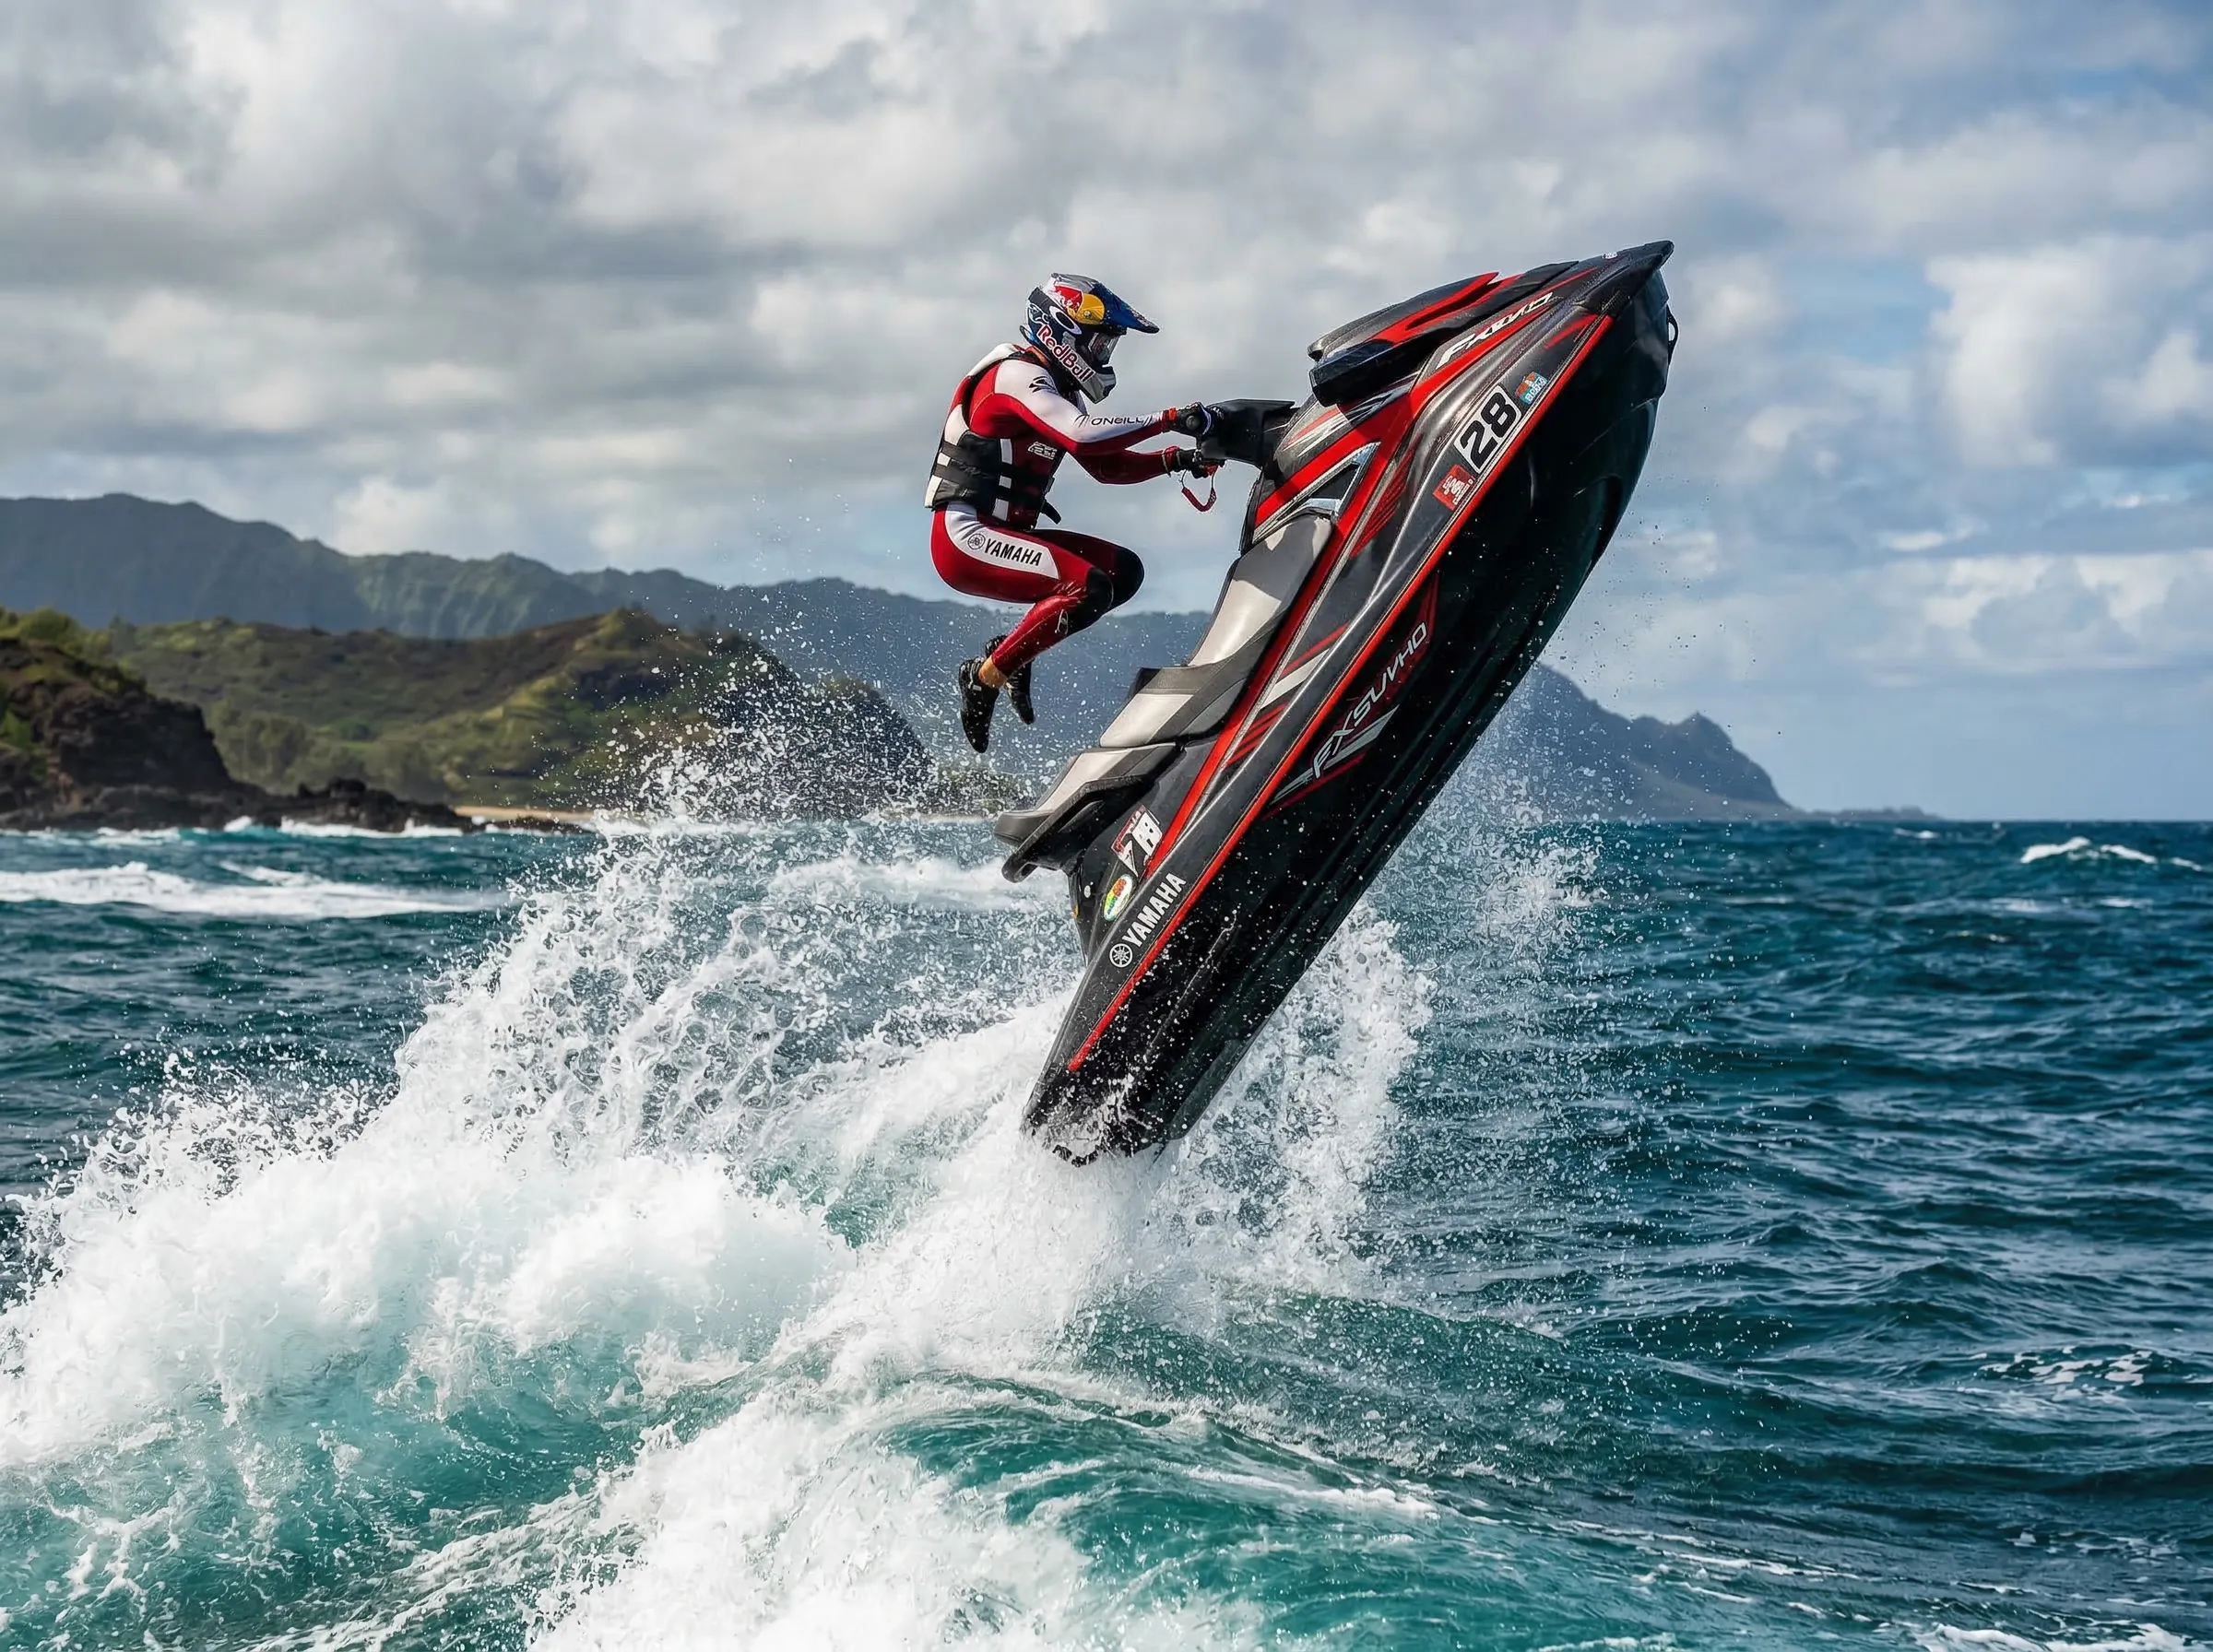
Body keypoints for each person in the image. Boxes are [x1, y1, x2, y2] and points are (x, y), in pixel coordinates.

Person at [925, 274, 1217, 751]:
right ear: (1062, 331)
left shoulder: (1057, 391)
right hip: (965, 539)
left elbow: (1107, 468)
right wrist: (1167, 420)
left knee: (1123, 572)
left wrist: (1176, 459)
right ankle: (985, 677)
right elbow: (1082, 434)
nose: (1104, 356)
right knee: (1087, 587)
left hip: (1000, 533)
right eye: (1100, 342)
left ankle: (1009, 656)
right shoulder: (1017, 376)